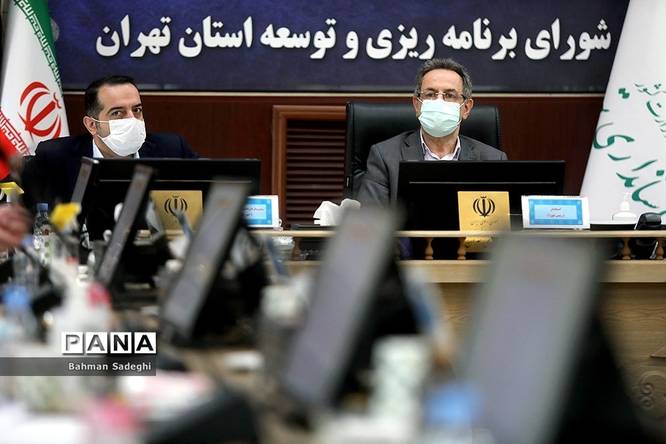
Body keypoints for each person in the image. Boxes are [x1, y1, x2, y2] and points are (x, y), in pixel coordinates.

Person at [22, 75, 198, 209]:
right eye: (117, 113)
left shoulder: (173, 150)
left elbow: (210, 191)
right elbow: (13, 203)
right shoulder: (55, 156)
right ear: (92, 125)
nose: (132, 119)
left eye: (137, 110)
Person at [357, 58, 506, 207]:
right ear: (417, 105)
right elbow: (370, 218)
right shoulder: (385, 157)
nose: (438, 102)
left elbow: (500, 218)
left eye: (449, 95)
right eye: (430, 94)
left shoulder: (493, 160)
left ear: (466, 108)